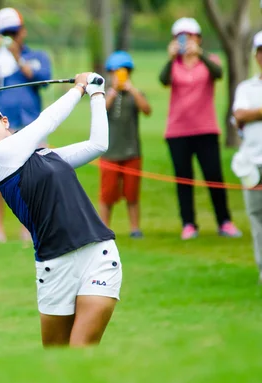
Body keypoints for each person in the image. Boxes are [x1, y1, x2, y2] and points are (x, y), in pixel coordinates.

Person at [0, 73, 122, 347]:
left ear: (4, 121)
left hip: (99, 255)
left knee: (81, 351)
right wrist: (80, 88)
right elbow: (46, 123)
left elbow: (98, 145)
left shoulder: (47, 156)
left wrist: (97, 94)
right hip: (54, 267)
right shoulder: (1, 159)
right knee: (57, 361)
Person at [159, 17, 241, 240]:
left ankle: (224, 221)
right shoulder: (173, 65)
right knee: (184, 179)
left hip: (206, 129)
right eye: (181, 37)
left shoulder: (208, 61)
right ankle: (188, 223)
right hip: (177, 131)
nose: (186, 40)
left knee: (214, 176)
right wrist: (170, 58)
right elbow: (163, 80)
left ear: (199, 38)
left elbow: (218, 73)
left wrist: (200, 54)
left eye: (190, 36)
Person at [0, 7, 52, 243]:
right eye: (5, 32)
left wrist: (17, 56)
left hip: (31, 124)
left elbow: (42, 80)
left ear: (23, 31)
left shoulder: (36, 55)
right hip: (0, 127)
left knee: (32, 178)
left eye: (14, 31)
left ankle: (28, 229)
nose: (10, 36)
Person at [100, 51, 151, 238]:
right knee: (107, 195)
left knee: (132, 193)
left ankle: (135, 228)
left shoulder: (134, 94)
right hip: (110, 152)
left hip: (132, 152)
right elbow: (99, 112)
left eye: (123, 72)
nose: (120, 75)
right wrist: (113, 92)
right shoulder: (105, 95)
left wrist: (132, 89)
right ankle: (104, 228)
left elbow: (147, 110)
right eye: (116, 72)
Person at [232, 31, 262, 284]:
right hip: (252, 162)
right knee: (257, 219)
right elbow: (239, 115)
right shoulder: (246, 87)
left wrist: (254, 113)